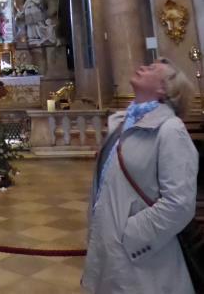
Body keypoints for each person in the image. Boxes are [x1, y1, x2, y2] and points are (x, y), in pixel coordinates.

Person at [82, 58, 198, 294]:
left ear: (163, 89)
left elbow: (179, 204)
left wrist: (131, 235)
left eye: (153, 69)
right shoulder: (123, 122)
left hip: (144, 258)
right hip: (110, 246)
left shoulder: (171, 130)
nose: (144, 67)